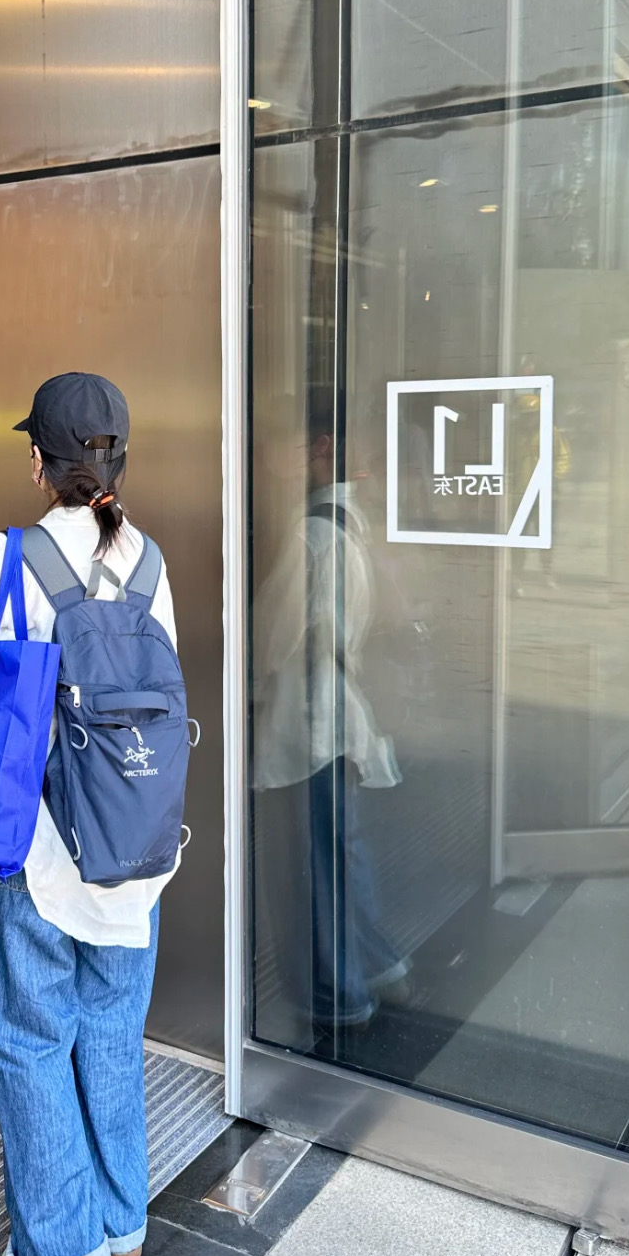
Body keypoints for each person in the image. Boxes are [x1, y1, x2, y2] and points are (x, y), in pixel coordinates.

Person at [0, 373, 180, 1256]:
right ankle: (121, 1219)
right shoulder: (148, 560)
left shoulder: (11, 557)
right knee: (112, 1027)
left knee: (30, 1036)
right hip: (134, 847)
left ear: (39, 461)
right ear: (117, 460)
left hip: (35, 847)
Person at [250, 398, 409, 1050]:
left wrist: (245, 686)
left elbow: (272, 637)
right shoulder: (354, 520)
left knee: (315, 869)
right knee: (345, 853)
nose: (273, 459)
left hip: (308, 723)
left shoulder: (311, 533)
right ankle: (382, 966)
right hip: (341, 716)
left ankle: (340, 998)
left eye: (285, 446)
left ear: (319, 450)